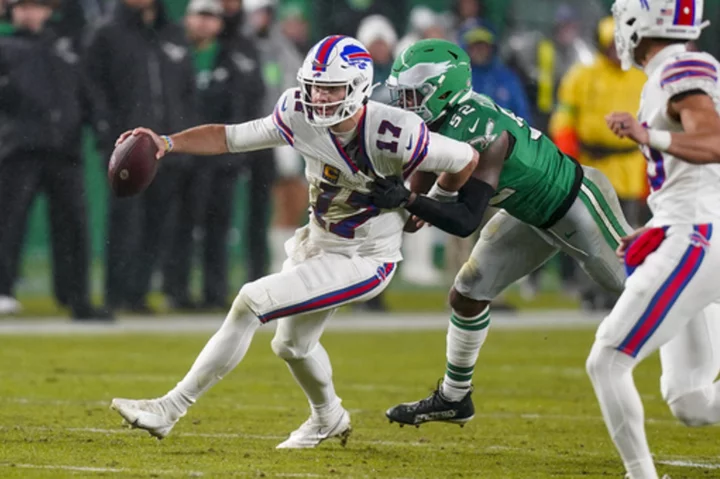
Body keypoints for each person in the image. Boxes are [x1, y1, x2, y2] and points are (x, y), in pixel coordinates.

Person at [109, 35, 479, 449]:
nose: (320, 96)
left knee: (251, 301)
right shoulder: (296, 112)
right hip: (319, 243)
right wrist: (168, 142)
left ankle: (169, 408)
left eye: (331, 87)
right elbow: (230, 137)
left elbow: (465, 158)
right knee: (292, 344)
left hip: (365, 256)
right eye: (315, 85)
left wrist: (424, 204)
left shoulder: (394, 132)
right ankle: (328, 417)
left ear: (357, 86)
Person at [368, 38, 631, 426]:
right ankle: (454, 399)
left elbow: (465, 220)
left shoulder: (482, 128)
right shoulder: (440, 121)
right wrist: (407, 199)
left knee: (642, 285)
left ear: (442, 90)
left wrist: (409, 201)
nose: (404, 104)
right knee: (467, 293)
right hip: (529, 213)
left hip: (577, 204)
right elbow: (424, 173)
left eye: (412, 95)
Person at [588, 1, 720, 477]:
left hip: (697, 237)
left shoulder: (682, 67)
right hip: (692, 228)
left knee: (607, 359)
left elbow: (715, 143)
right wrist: (656, 224)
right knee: (692, 401)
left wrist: (649, 136)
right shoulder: (675, 70)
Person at [0, 0, 112, 320]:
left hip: (64, 148)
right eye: (23, 7)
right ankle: (2, 289)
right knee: (8, 223)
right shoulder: (6, 45)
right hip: (18, 149)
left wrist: (101, 128)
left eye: (35, 6)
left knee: (73, 226)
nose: (29, 13)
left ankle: (76, 297)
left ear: (48, 11)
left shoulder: (67, 47)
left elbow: (86, 92)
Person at [84, 0, 197, 313]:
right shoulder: (107, 33)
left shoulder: (172, 33)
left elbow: (186, 88)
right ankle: (116, 293)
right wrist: (107, 130)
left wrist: (182, 134)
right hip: (127, 146)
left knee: (157, 222)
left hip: (167, 144)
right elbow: (92, 85)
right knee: (125, 222)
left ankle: (138, 293)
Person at [163, 0, 264, 310]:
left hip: (221, 159)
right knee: (180, 226)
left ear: (221, 23)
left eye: (212, 17)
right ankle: (176, 291)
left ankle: (214, 292)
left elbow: (248, 101)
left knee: (217, 227)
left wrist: (237, 154)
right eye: (200, 16)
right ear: (188, 18)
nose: (205, 23)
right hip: (182, 156)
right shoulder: (171, 53)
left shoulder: (234, 55)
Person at [550, 16, 648, 309]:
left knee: (627, 232)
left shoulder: (641, 78)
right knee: (589, 233)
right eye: (611, 45)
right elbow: (564, 121)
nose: (617, 51)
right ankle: (591, 291)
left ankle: (624, 291)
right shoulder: (582, 76)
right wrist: (568, 162)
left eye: (621, 45)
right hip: (591, 164)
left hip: (629, 166)